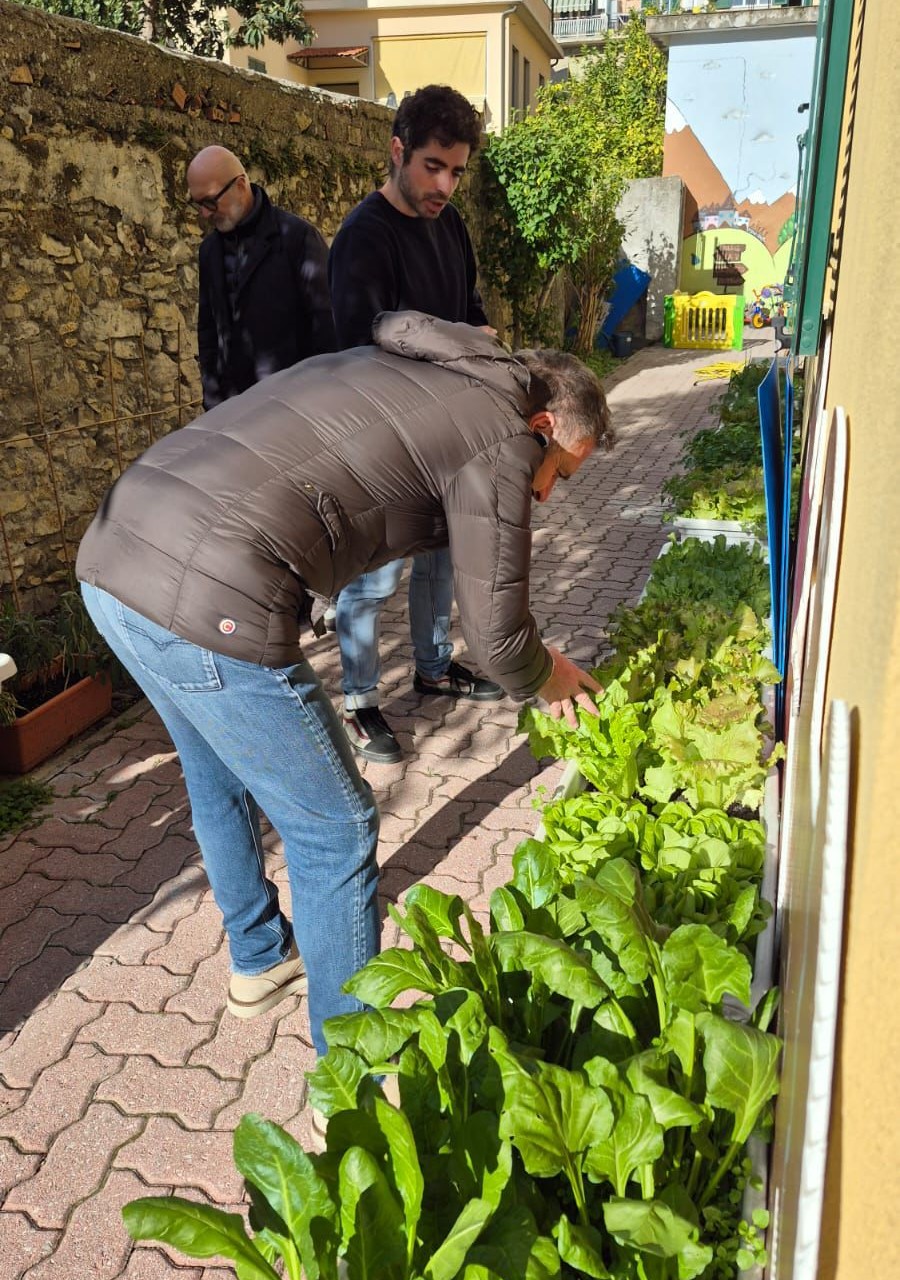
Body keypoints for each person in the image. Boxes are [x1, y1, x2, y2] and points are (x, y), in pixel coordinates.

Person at [75, 311, 613, 1058]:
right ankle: (350, 1080)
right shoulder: (503, 435)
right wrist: (556, 678)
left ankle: (261, 959)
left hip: (114, 555)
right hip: (206, 593)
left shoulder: (445, 369)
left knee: (217, 773)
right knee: (336, 826)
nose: (549, 493)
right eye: (560, 471)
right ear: (544, 423)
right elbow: (496, 637)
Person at [326, 85, 502, 766]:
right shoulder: (362, 238)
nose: (445, 185)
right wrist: (457, 341)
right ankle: (360, 703)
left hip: (446, 433)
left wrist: (477, 336)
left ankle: (433, 668)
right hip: (382, 441)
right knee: (372, 579)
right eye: (433, 166)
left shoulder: (449, 225)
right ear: (397, 150)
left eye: (457, 172)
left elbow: (469, 302)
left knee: (439, 559)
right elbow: (357, 348)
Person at [186, 145, 336, 409]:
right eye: (199, 205)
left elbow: (328, 331)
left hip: (292, 409)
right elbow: (209, 331)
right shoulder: (209, 252)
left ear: (241, 185)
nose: (205, 214)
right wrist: (212, 398)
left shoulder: (298, 240)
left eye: (210, 201)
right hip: (231, 413)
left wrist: (314, 403)